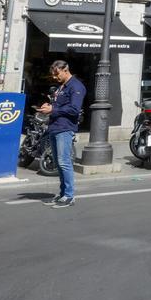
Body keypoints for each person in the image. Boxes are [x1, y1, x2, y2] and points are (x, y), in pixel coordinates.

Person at [38, 60, 85, 207]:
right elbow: (59, 105)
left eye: (56, 74)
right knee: (59, 163)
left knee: (64, 162)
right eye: (53, 74)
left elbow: (74, 109)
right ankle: (63, 194)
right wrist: (49, 106)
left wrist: (53, 110)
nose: (54, 77)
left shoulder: (76, 86)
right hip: (55, 126)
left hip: (65, 128)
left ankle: (69, 196)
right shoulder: (61, 87)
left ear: (65, 70)